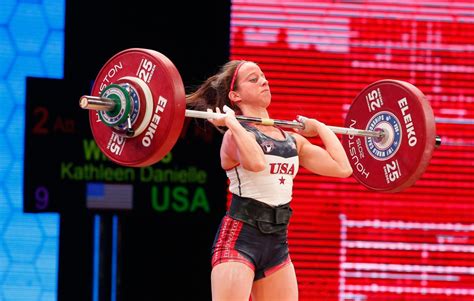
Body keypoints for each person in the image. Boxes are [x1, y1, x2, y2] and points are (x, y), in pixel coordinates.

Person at [186, 60, 353, 301]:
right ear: (235, 95)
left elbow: (342, 167)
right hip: (239, 240)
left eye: (263, 77)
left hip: (276, 243)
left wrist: (320, 128)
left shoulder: (292, 140)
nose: (264, 81)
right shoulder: (233, 138)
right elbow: (256, 162)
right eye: (253, 79)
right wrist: (233, 123)